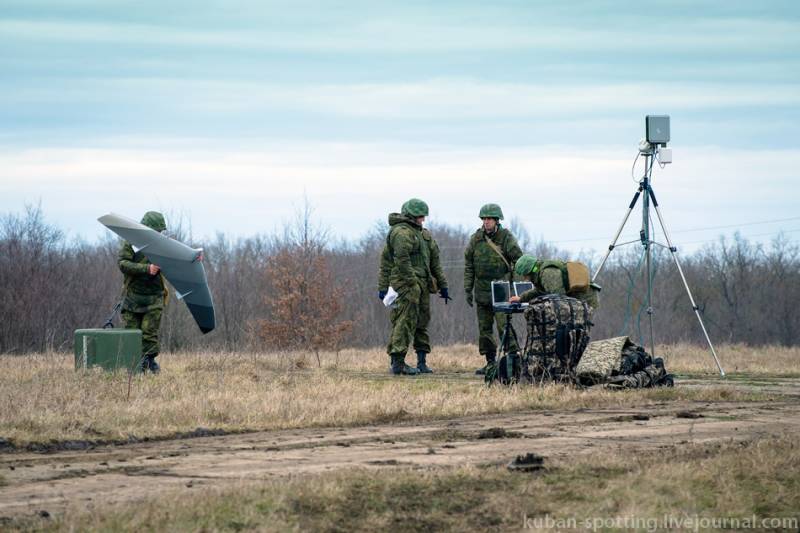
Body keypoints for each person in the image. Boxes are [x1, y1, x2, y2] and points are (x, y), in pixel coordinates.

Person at [378, 198, 449, 375]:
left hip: (422, 284)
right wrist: (386, 286)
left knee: (422, 321)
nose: (422, 219)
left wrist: (443, 285)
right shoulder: (401, 233)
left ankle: (422, 361)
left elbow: (435, 263)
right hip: (406, 285)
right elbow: (394, 261)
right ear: (410, 216)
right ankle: (398, 363)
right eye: (419, 216)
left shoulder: (424, 235)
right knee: (404, 320)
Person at [464, 204, 523, 375]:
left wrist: (516, 287)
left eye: (489, 219)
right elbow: (469, 265)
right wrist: (468, 288)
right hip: (481, 290)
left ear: (497, 220)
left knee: (504, 326)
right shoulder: (476, 239)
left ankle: (512, 360)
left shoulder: (506, 238)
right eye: (484, 219)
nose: (486, 222)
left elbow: (519, 260)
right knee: (484, 330)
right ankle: (490, 362)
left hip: (501, 290)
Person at [118, 211, 169, 373]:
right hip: (133, 298)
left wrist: (194, 258)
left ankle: (149, 362)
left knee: (149, 333)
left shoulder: (164, 245)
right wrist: (147, 269)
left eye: (160, 231)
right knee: (132, 334)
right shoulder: (131, 243)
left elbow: (179, 260)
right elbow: (122, 263)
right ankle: (133, 365)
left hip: (154, 298)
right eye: (155, 231)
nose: (158, 234)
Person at [510, 254, 600, 309]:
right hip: (577, 299)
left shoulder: (547, 274)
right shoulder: (540, 273)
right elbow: (538, 291)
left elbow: (559, 298)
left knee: (575, 330)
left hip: (586, 298)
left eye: (525, 275)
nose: (525, 278)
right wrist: (521, 298)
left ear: (529, 271)